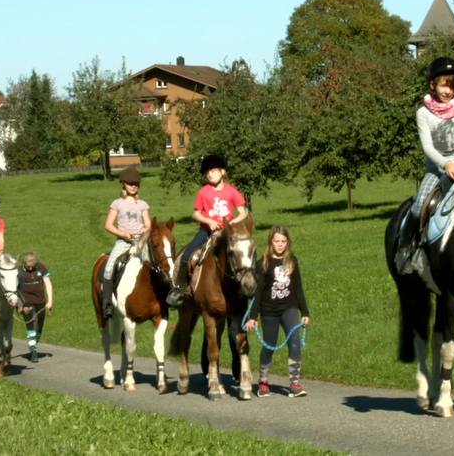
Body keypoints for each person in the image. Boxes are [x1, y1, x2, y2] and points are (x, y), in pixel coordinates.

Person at [395, 57, 454, 274]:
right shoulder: (423, 114)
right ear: (433, 85)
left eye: (452, 86)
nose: (448, 90)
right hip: (437, 168)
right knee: (420, 202)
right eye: (443, 85)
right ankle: (404, 246)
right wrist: (445, 163)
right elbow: (428, 147)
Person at [166, 154, 247, 307]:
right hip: (206, 231)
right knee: (187, 255)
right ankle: (179, 289)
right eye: (207, 172)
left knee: (242, 253)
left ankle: (248, 285)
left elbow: (243, 213)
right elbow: (196, 213)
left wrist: (230, 223)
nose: (209, 174)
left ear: (222, 171)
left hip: (227, 232)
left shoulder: (231, 191)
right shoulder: (204, 192)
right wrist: (209, 221)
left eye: (213, 170)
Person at [245, 226, 310, 398]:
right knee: (269, 346)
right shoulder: (263, 263)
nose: (280, 245)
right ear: (270, 242)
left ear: (287, 242)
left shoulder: (291, 261)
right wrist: (253, 317)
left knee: (295, 343)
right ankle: (264, 381)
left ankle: (294, 383)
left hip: (289, 308)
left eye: (283, 241)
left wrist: (305, 312)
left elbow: (298, 288)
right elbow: (258, 292)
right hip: (269, 311)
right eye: (276, 241)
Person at [101, 167, 150, 318]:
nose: (134, 186)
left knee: (157, 262)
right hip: (123, 241)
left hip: (140, 241)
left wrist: (145, 231)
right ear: (123, 184)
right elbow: (108, 225)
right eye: (130, 183)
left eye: (136, 183)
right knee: (109, 267)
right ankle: (107, 304)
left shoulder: (142, 204)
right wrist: (122, 233)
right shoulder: (117, 203)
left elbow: (148, 224)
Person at [18, 250, 53, 363]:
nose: (31, 269)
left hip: (40, 302)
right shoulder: (19, 271)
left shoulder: (41, 268)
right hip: (26, 302)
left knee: (39, 327)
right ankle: (33, 351)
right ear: (25, 263)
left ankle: (34, 343)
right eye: (29, 267)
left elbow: (48, 284)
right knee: (31, 325)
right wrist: (19, 304)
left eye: (33, 267)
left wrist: (50, 301)